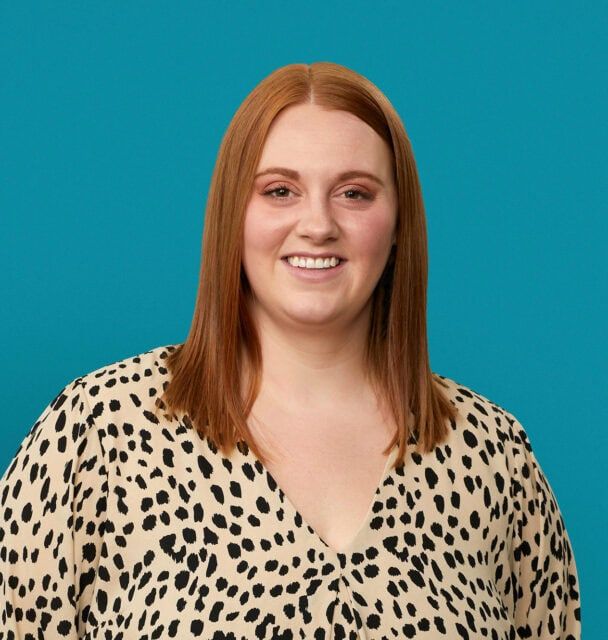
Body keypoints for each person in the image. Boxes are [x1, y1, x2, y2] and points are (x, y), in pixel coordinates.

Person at [0, 62, 581, 639]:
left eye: (354, 193)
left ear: (399, 223)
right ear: (232, 213)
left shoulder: (495, 457)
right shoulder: (100, 431)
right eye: (280, 191)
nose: (318, 224)